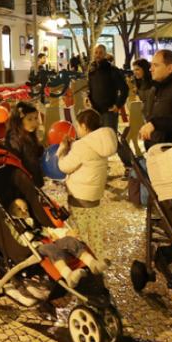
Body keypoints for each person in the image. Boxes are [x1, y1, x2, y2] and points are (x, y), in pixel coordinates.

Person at [56, 108, 117, 256]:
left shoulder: (82, 145)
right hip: (95, 193)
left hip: (79, 194)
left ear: (84, 126)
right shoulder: (102, 141)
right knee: (94, 227)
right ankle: (98, 256)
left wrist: (62, 150)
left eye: (77, 126)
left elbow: (64, 166)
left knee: (79, 230)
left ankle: (83, 259)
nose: (76, 129)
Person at [87, 45, 129, 133]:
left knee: (110, 139)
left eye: (101, 52)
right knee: (98, 140)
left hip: (109, 112)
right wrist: (88, 98)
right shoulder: (92, 71)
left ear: (105, 54)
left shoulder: (112, 70)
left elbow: (124, 89)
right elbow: (90, 88)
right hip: (95, 112)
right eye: (96, 52)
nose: (98, 55)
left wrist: (118, 105)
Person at [6, 101, 45, 189]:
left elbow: (35, 153)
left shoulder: (30, 134)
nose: (35, 122)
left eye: (36, 118)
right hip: (23, 183)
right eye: (30, 119)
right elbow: (15, 162)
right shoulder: (13, 138)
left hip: (34, 179)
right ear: (19, 121)